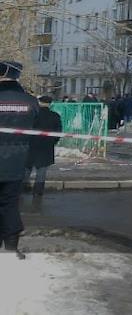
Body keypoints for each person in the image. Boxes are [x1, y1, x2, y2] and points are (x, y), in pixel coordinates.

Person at [0, 61, 38, 259]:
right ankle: (11, 247)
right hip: (17, 161)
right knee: (10, 203)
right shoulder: (31, 101)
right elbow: (37, 130)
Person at [26, 95, 62, 197]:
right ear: (50, 104)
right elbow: (58, 132)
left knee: (27, 168)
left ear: (39, 103)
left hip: (31, 144)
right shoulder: (55, 116)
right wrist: (53, 142)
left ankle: (22, 188)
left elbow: (26, 128)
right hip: (46, 146)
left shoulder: (33, 114)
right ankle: (38, 191)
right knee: (42, 170)